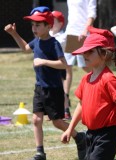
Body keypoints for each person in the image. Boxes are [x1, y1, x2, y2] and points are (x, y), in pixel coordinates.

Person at [4, 6, 86, 160]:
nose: (34, 28)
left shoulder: (53, 43)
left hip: (53, 89)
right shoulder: (36, 41)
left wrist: (43, 61)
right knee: (36, 119)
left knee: (57, 123)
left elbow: (63, 64)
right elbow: (25, 49)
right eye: (32, 25)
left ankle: (79, 137)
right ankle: (40, 152)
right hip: (39, 87)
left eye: (38, 25)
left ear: (48, 26)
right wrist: (14, 33)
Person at [61, 26, 116, 160]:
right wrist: (70, 129)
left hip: (107, 136)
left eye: (90, 52)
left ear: (104, 54)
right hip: (90, 134)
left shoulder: (109, 79)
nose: (85, 55)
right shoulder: (85, 79)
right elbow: (81, 105)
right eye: (84, 52)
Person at [63, 0, 97, 112]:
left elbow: (92, 14)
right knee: (67, 66)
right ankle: (65, 102)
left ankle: (102, 85)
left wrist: (85, 30)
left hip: (83, 33)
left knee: (85, 66)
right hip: (71, 32)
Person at [49, 10, 72, 120]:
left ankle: (66, 111)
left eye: (53, 21)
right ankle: (51, 112)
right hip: (48, 67)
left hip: (58, 66)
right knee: (50, 90)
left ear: (61, 23)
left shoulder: (62, 37)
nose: (51, 23)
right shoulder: (47, 34)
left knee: (60, 91)